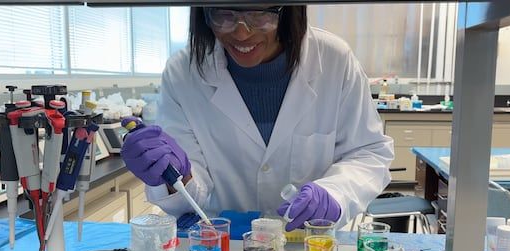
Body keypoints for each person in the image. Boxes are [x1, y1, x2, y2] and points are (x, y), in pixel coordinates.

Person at [121, 5, 394, 231]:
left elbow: (368, 151)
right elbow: (191, 197)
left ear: (288, 11)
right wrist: (175, 175)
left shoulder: (334, 60)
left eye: (259, 13)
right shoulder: (183, 73)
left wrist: (336, 193)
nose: (241, 32)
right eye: (224, 14)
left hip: (310, 248)